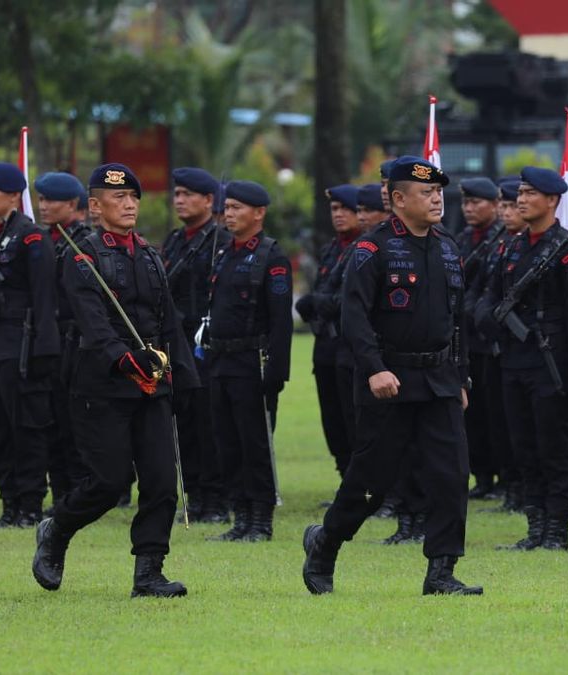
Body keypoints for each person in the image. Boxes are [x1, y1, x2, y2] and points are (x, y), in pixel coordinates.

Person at [302, 156, 481, 597]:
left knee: (451, 474)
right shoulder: (371, 249)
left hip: (439, 378)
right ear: (399, 199)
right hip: (390, 379)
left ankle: (441, 571)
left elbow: (457, 321)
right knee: (373, 481)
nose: (437, 199)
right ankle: (325, 543)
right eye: (426, 193)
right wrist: (375, 370)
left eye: (439, 192)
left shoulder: (448, 247)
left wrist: (461, 378)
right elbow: (354, 318)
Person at [32, 163, 199, 597]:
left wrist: (184, 377)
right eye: (119, 198)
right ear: (94, 205)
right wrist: (125, 360)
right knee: (108, 483)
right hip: (103, 383)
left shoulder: (148, 253)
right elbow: (93, 323)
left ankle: (148, 573)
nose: (128, 205)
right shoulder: (81, 254)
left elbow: (169, 323)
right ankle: (58, 529)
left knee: (162, 480)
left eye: (133, 198)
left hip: (153, 384)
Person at [477, 166, 568, 552]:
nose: (521, 199)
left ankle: (556, 531)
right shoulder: (511, 246)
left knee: (553, 449)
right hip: (513, 360)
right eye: (519, 193)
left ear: (553, 200)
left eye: (529, 193)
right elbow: (490, 297)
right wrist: (486, 318)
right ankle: (535, 526)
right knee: (523, 446)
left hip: (551, 364)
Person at [0, 163, 60, 528]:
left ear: (12, 195)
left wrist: (44, 352)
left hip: (22, 346)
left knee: (26, 429)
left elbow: (43, 297)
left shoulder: (31, 237)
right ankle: (9, 505)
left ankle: (30, 506)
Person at [203, 180, 293, 542]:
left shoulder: (272, 257)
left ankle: (261, 519)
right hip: (221, 360)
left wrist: (276, 372)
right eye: (227, 208)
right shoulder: (225, 254)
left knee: (255, 443)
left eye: (238, 208)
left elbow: (281, 321)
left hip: (252, 362)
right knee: (227, 442)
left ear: (259, 213)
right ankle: (240, 517)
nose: (229, 214)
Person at [161, 167, 230, 523]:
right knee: (184, 421)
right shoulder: (175, 241)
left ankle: (215, 499)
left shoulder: (220, 240)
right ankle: (195, 495)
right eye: (177, 194)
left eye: (188, 195)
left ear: (208, 201)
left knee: (208, 423)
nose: (180, 200)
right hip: (176, 343)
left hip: (206, 343)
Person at [34, 171, 92, 515]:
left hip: (76, 342)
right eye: (40, 199)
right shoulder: (45, 240)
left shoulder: (83, 241)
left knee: (75, 424)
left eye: (50, 200)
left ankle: (78, 495)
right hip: (50, 340)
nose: (43, 206)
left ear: (72, 204)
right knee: (51, 421)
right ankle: (60, 495)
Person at [296, 184, 360, 478]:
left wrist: (317, 302)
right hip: (325, 344)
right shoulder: (332, 249)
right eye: (335, 209)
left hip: (349, 344)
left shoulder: (366, 247)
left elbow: (346, 300)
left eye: (346, 209)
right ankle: (344, 475)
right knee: (332, 417)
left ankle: (363, 484)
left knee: (353, 417)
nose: (339, 215)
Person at [456, 177, 506, 499]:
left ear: (495, 205)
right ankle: (484, 476)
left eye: (477, 203)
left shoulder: (499, 239)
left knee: (496, 414)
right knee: (472, 416)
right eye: (466, 203)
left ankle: (506, 479)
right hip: (466, 339)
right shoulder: (461, 238)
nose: (469, 208)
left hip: (491, 340)